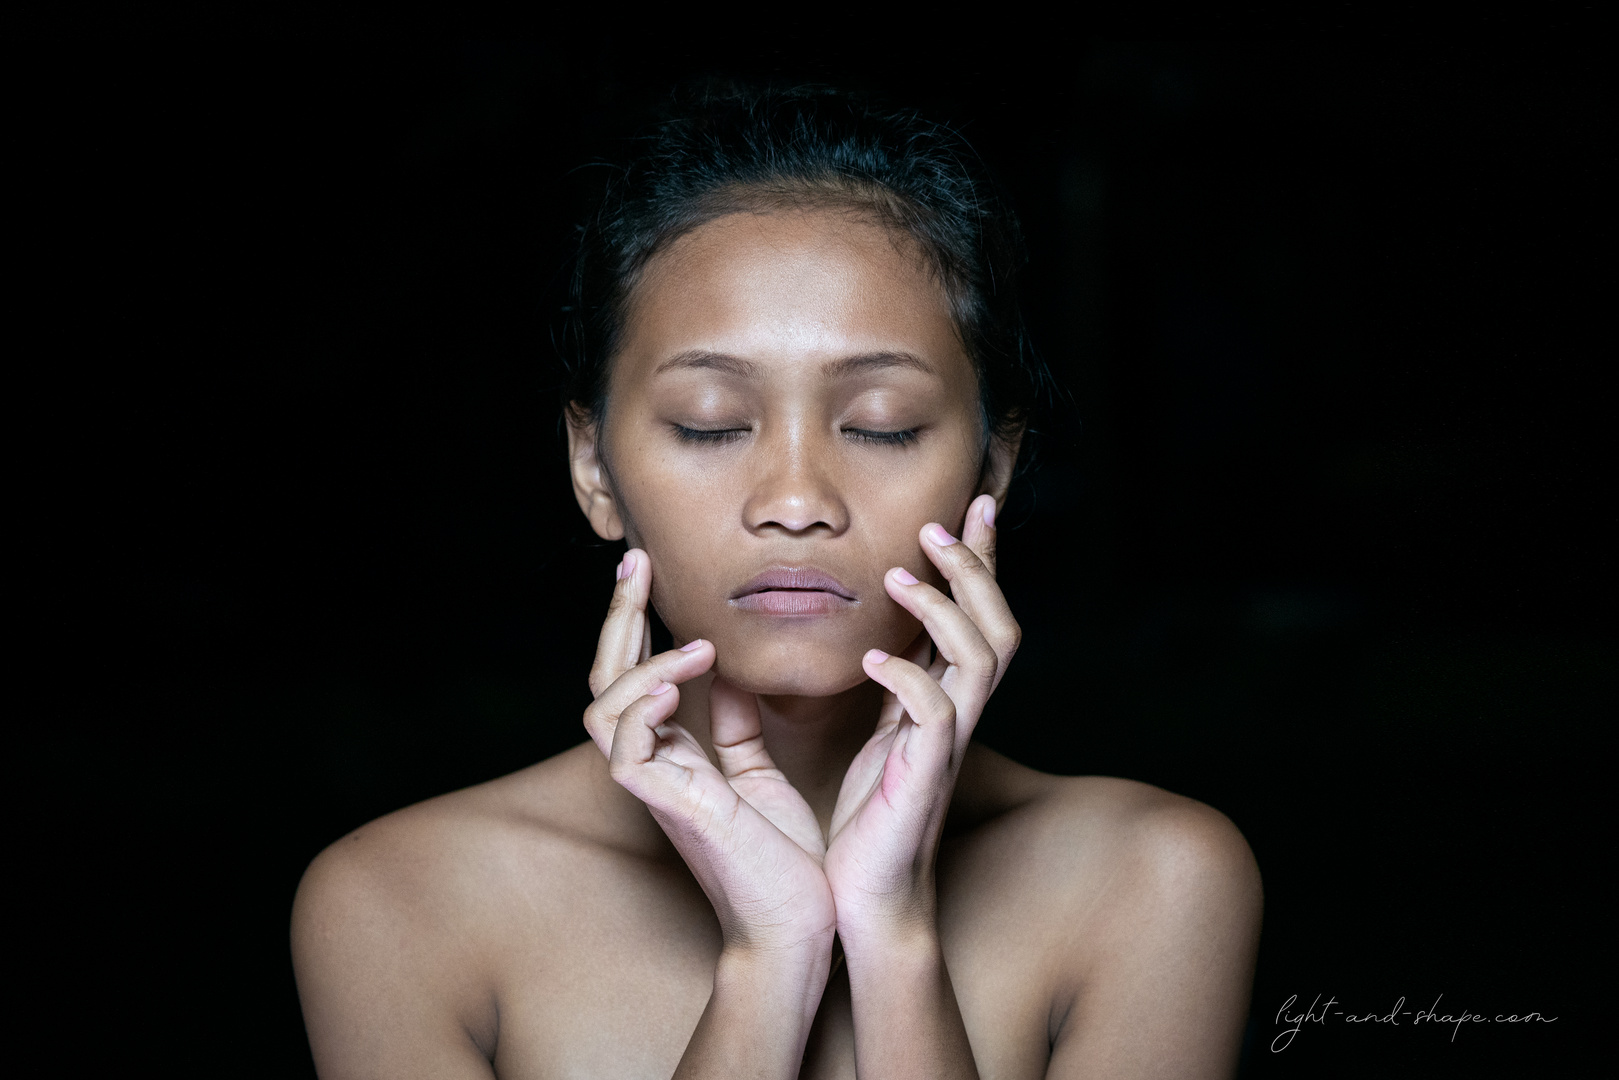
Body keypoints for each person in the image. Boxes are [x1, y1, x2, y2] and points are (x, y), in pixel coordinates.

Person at [291, 86, 1262, 1079]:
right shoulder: (397, 903)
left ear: (991, 472)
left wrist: (892, 935)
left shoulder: (1155, 878)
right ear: (593, 472)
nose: (794, 500)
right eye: (709, 422)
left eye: (881, 423)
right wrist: (770, 955)